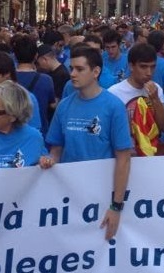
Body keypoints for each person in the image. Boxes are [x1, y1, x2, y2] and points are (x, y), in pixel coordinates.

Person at [41, 45, 132, 240]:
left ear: (96, 72)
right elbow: (56, 150)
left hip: (100, 194)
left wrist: (116, 206)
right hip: (69, 195)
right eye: (72, 68)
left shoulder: (114, 106)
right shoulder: (64, 106)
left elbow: (123, 158)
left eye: (80, 69)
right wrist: (49, 160)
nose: (72, 74)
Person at [108, 43, 164, 156]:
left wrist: (155, 99)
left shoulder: (156, 89)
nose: (149, 73)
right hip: (126, 155)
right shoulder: (114, 93)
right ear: (131, 66)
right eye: (143, 67)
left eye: (152, 67)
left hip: (152, 153)